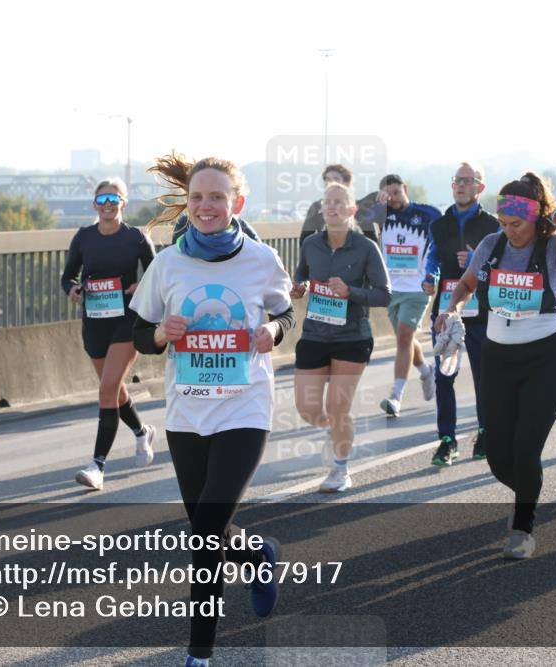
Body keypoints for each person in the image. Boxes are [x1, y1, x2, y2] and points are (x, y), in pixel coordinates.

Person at [131, 153, 295, 666]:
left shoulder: (261, 259)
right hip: (186, 413)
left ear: (236, 203)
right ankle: (257, 554)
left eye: (217, 197)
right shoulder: (168, 263)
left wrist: (273, 331)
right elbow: (139, 331)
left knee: (203, 533)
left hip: (244, 408)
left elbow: (287, 310)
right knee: (211, 524)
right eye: (198, 197)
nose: (205, 206)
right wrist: (160, 333)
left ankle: (198, 655)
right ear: (189, 202)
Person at [437, 172, 556, 559]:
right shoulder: (491, 244)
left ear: (537, 218)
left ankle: (523, 529)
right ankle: (529, 489)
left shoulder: (554, 246)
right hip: (498, 358)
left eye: (517, 223)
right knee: (497, 455)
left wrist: (546, 214)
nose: (510, 232)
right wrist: (450, 307)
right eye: (504, 223)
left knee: (525, 448)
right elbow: (467, 283)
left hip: (547, 356)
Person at [291, 182, 390, 491]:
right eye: (327, 202)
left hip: (352, 337)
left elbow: (384, 295)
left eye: (338, 202)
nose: (332, 207)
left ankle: (340, 470)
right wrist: (299, 288)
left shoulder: (366, 248)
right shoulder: (310, 245)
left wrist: (351, 292)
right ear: (322, 210)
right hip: (314, 335)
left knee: (337, 407)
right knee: (307, 409)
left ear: (351, 209)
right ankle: (334, 430)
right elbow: (301, 277)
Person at [61, 177, 157, 491]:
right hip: (94, 321)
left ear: (123, 204)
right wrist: (73, 289)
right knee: (113, 390)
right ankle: (143, 431)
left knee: (106, 389)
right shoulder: (84, 237)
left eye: (113, 199)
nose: (107, 206)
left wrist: (138, 286)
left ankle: (97, 466)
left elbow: (155, 276)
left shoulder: (136, 237)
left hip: (127, 322)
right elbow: (67, 277)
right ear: (94, 205)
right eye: (102, 201)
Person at [423, 162, 499, 463]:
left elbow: (501, 265)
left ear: (480, 187)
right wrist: (429, 278)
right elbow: (433, 259)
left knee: (483, 377)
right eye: (457, 180)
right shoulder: (439, 225)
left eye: (468, 181)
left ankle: (485, 431)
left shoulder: (493, 225)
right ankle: (447, 440)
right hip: (445, 311)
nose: (461, 185)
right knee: (445, 376)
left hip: (479, 312)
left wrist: (476, 261)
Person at [370, 174, 441, 416]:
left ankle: (396, 397)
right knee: (406, 340)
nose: (393, 198)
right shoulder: (381, 214)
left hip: (418, 289)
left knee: (403, 336)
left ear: (405, 189)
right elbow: (355, 218)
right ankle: (426, 371)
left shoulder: (428, 214)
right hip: (391, 289)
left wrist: (436, 275)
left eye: (397, 193)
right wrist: (376, 203)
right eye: (387, 195)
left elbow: (445, 241)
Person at [298, 164, 379, 246]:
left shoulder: (360, 207)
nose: (331, 183)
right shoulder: (316, 207)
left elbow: (372, 240)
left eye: (336, 179)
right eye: (328, 180)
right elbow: (304, 240)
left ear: (346, 183)